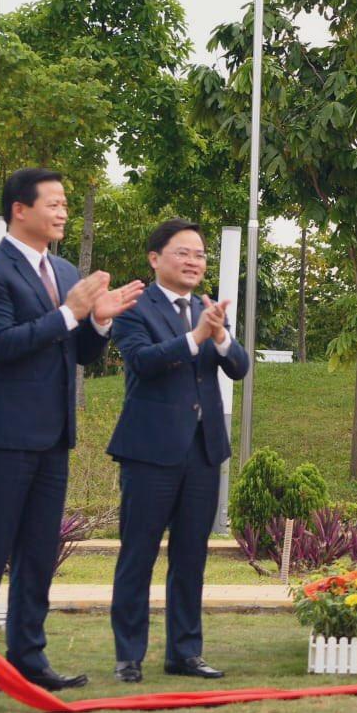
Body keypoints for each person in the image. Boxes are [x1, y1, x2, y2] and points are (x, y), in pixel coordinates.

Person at [0, 168, 142, 692]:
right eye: (53, 203)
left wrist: (98, 321)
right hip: (0, 434)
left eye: (64, 204)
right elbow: (3, 345)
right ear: (20, 209)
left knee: (38, 552)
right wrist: (68, 312)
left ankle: (29, 656)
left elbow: (77, 352)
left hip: (53, 434)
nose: (62, 212)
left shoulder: (61, 269)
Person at [107, 219, 249, 683]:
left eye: (200, 255)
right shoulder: (134, 309)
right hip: (150, 452)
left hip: (202, 452)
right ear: (155, 258)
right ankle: (129, 655)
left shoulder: (208, 310)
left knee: (191, 556)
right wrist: (196, 339)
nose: (194, 262)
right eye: (183, 253)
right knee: (138, 555)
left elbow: (239, 367)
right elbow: (143, 362)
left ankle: (185, 653)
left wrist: (222, 336)